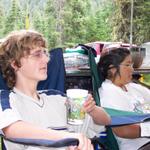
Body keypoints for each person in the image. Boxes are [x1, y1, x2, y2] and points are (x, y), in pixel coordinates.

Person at [0, 30, 111, 150]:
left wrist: (92, 109)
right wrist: (68, 138)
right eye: (37, 54)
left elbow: (105, 120)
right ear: (15, 64)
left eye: (45, 53)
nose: (47, 60)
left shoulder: (58, 98)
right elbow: (12, 129)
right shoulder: (7, 100)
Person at [98, 47, 150, 150]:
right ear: (112, 69)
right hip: (139, 146)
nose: (132, 69)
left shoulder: (132, 87)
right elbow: (123, 130)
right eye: (127, 65)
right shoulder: (109, 93)